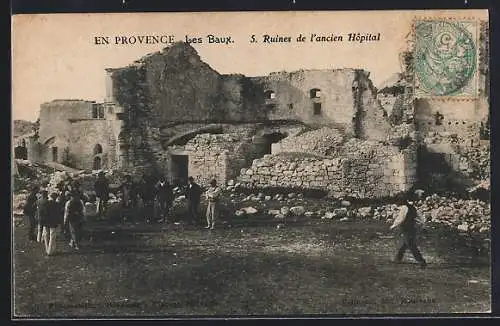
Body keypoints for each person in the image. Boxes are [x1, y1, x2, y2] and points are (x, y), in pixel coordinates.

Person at [390, 192, 427, 268]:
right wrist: (422, 225)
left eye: (397, 201)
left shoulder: (404, 208)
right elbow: (419, 217)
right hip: (413, 228)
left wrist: (393, 226)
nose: (397, 203)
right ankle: (398, 258)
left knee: (410, 244)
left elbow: (401, 218)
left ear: (401, 201)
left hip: (407, 228)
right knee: (405, 243)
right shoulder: (412, 207)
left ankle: (421, 261)